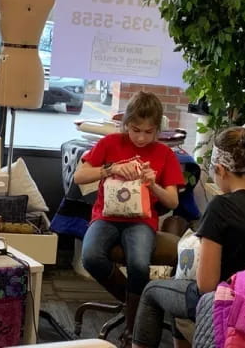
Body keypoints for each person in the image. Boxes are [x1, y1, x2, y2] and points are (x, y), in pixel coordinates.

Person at [132, 126, 245, 348]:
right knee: (176, 299)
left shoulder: (222, 207)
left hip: (235, 307)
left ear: (221, 170)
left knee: (153, 291)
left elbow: (206, 286)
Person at [74, 91, 185, 346]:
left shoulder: (165, 154)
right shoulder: (111, 142)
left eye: (149, 131)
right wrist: (110, 169)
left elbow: (172, 202)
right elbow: (80, 177)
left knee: (138, 265)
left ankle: (133, 332)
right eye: (136, 130)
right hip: (105, 216)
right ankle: (137, 304)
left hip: (142, 221)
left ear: (158, 129)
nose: (142, 137)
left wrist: (153, 184)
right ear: (126, 124)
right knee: (91, 257)